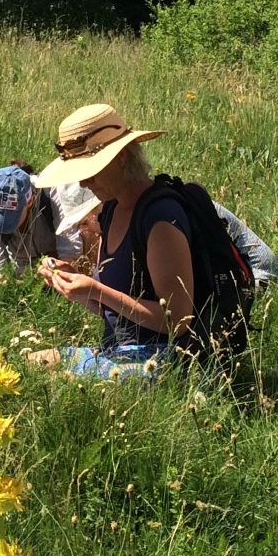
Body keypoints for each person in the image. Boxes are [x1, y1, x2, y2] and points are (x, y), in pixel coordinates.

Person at [30, 103, 193, 379]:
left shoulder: (159, 218)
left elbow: (178, 320)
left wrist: (97, 290)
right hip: (117, 355)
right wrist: (81, 289)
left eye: (91, 169)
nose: (84, 182)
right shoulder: (110, 211)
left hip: (162, 360)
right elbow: (116, 314)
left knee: (53, 379)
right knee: (25, 362)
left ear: (120, 158)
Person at [0, 162, 99, 276]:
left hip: (58, 260)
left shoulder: (53, 194)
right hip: (22, 268)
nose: (2, 223)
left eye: (10, 216)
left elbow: (70, 252)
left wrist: (59, 279)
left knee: (88, 223)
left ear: (30, 201)